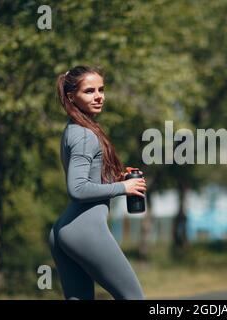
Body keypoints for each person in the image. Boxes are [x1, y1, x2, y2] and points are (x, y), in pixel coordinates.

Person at [49, 65, 147, 300]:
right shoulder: (84, 135)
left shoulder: (74, 129)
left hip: (63, 229)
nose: (99, 96)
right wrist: (124, 188)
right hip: (85, 230)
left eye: (101, 89)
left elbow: (87, 180)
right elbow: (78, 188)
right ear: (72, 97)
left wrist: (115, 180)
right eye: (89, 91)